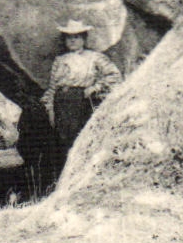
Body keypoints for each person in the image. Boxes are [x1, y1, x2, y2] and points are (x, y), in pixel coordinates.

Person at [41, 19, 123, 150]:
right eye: (69, 38)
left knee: (78, 138)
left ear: (84, 39)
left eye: (77, 37)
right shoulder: (60, 60)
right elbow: (52, 88)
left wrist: (95, 88)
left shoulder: (94, 57)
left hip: (80, 101)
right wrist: (50, 109)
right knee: (59, 140)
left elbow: (114, 75)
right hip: (61, 103)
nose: (72, 41)